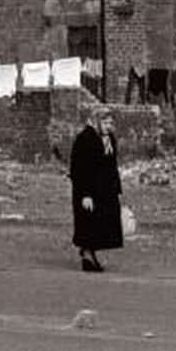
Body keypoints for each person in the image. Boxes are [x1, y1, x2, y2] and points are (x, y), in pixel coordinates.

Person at [70, 107, 123, 272]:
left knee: (102, 224)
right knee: (89, 223)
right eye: (105, 122)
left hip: (105, 191)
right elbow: (79, 169)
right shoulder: (85, 139)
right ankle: (87, 256)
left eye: (110, 123)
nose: (109, 126)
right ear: (97, 122)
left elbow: (112, 165)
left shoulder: (109, 139)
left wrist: (117, 189)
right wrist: (85, 194)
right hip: (89, 191)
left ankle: (90, 255)